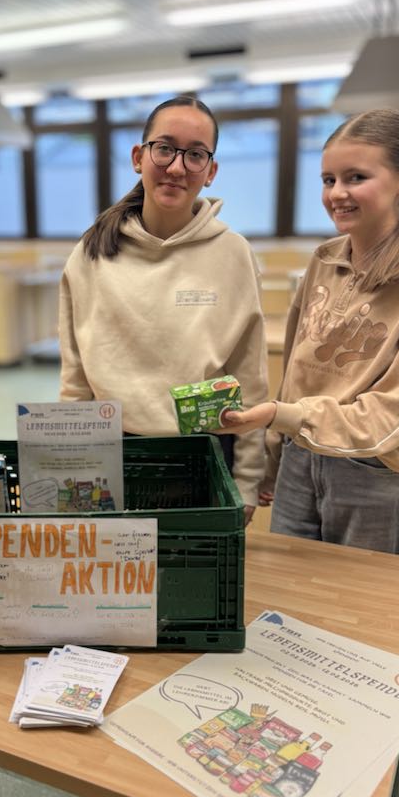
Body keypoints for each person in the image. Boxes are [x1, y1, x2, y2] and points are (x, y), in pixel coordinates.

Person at [219, 107, 399, 558]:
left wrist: (282, 416)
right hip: (299, 460)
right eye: (328, 179)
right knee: (293, 593)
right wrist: (274, 456)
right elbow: (296, 374)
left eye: (356, 177)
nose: (337, 193)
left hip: (373, 473)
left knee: (369, 601)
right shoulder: (324, 259)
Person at [58, 95, 268, 523]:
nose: (176, 167)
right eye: (165, 149)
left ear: (211, 171)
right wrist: (69, 463)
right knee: (112, 567)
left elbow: (248, 377)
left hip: (204, 452)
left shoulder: (233, 254)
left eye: (195, 155)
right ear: (139, 157)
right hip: (110, 452)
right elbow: (75, 377)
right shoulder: (92, 252)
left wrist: (247, 480)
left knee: (189, 563)